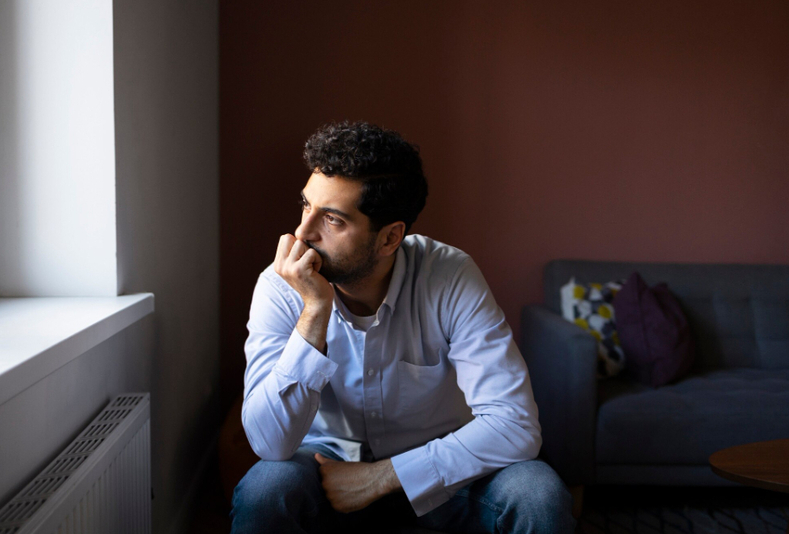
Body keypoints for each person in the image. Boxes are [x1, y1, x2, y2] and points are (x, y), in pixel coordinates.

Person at [231, 121, 575, 533]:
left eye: (333, 220)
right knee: (264, 491)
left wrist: (384, 476)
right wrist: (315, 312)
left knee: (538, 493)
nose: (303, 233)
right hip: (326, 471)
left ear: (390, 238)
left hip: (443, 472)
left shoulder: (449, 276)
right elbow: (269, 444)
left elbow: (515, 424)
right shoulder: (279, 285)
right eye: (307, 206)